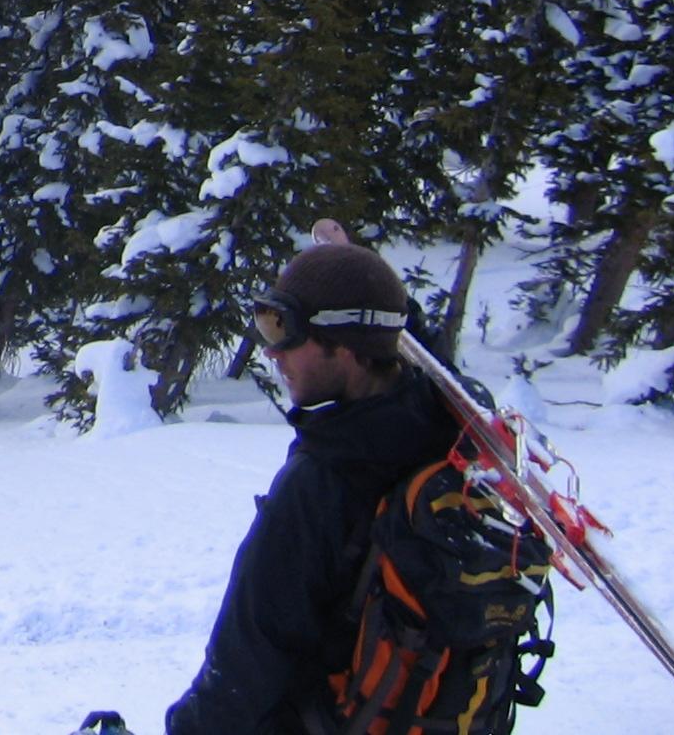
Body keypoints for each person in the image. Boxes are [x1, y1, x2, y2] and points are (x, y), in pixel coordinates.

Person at [164, 225, 457, 734]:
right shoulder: (443, 422)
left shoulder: (320, 483)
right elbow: (419, 348)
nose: (272, 353)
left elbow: (242, 670)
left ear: (343, 345)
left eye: (283, 331)